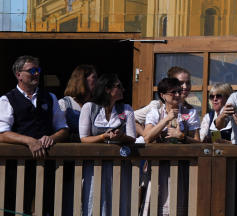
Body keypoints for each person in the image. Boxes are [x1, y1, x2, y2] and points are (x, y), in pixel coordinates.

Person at [0, 55, 69, 214]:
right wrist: (29, 141)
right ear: (19, 75)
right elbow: (2, 133)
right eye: (32, 70)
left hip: (47, 166)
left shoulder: (50, 97)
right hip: (16, 168)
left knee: (48, 208)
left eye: (38, 70)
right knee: (16, 208)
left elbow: (63, 130)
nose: (37, 73)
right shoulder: (7, 99)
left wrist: (51, 138)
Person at [79, 73, 135, 216]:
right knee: (94, 200)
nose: (123, 89)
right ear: (107, 89)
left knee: (119, 201)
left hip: (120, 165)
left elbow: (132, 137)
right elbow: (84, 138)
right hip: (94, 165)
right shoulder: (89, 108)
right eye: (119, 86)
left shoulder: (126, 109)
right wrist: (104, 136)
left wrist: (121, 137)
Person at [142, 77, 199, 216]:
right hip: (158, 167)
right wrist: (166, 119)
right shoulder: (155, 113)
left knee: (178, 206)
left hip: (182, 167)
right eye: (173, 92)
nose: (178, 95)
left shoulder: (190, 113)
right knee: (155, 205)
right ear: (162, 95)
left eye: (179, 91)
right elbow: (147, 137)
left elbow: (199, 143)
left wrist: (182, 137)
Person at [59, 64, 97, 141]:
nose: (97, 81)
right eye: (94, 77)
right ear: (83, 80)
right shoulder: (64, 104)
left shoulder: (96, 105)